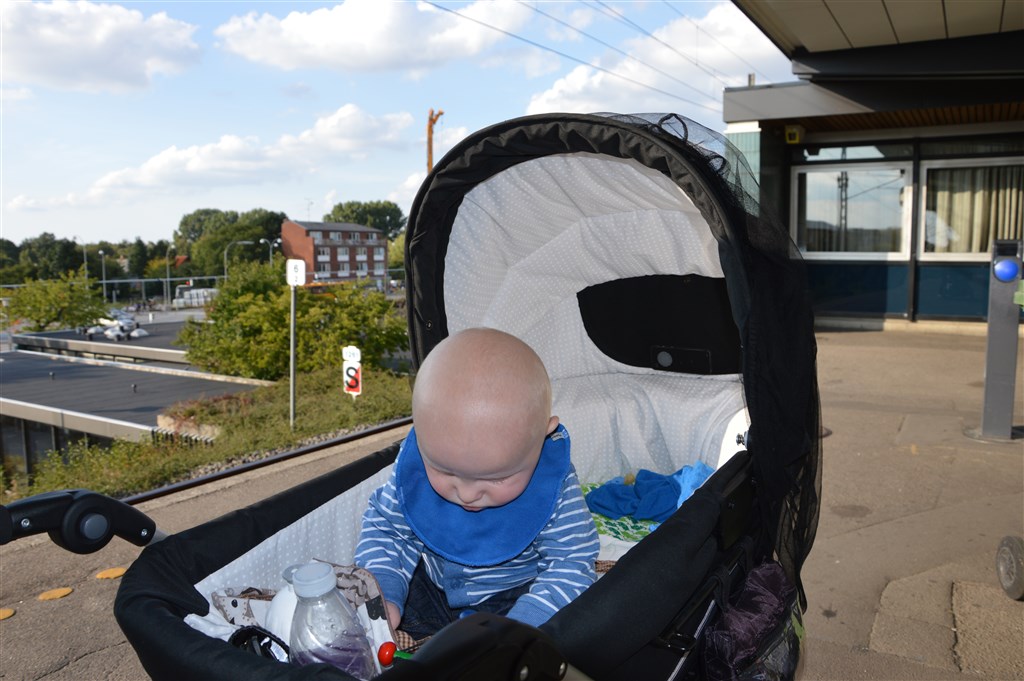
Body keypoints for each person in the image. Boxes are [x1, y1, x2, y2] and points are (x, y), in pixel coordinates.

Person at [355, 327, 599, 638]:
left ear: (542, 437)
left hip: (513, 601)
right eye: (444, 470)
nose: (467, 494)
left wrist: (523, 626)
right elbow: (388, 531)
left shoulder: (555, 485)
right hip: (428, 589)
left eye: (497, 477)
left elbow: (571, 562)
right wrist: (385, 591)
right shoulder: (417, 459)